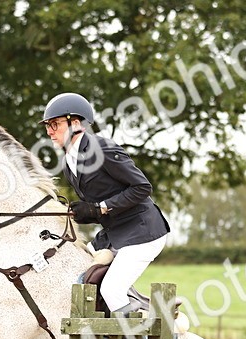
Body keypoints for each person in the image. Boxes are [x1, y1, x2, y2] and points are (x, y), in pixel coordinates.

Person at [41, 92, 170, 315]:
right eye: (47, 126)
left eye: (55, 124)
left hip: (143, 232)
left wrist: (99, 207)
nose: (49, 131)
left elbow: (141, 187)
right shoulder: (68, 162)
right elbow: (100, 205)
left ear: (76, 123)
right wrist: (85, 212)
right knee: (74, 265)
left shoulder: (102, 149)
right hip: (114, 234)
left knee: (111, 290)